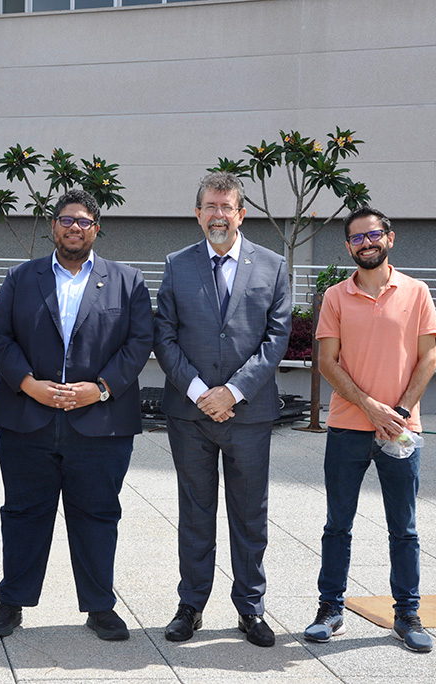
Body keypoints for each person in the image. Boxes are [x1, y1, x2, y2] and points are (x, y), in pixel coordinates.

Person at [0, 188, 154, 641]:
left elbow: (139, 344)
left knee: (97, 515)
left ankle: (100, 607)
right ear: (52, 226)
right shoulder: (22, 277)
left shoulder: (128, 280)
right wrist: (29, 384)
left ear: (96, 228)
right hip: (27, 419)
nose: (74, 227)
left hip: (101, 423)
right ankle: (12, 601)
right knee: (22, 513)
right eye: (65, 220)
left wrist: (98, 390)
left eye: (83, 220)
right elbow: (0, 337)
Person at [154, 171, 291, 647]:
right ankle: (190, 605)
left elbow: (276, 339)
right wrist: (198, 392)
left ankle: (250, 608)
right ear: (197, 214)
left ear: (240, 213)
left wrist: (232, 392)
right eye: (209, 207)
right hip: (190, 415)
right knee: (195, 513)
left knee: (250, 514)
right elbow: (164, 335)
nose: (217, 215)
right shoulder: (177, 264)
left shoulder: (272, 265)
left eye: (225, 207)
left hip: (248, 415)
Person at [303, 207, 436, 652]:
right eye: (358, 238)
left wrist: (398, 412)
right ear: (348, 247)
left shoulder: (416, 292)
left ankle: (407, 615)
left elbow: (428, 359)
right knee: (337, 525)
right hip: (348, 427)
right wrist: (370, 407)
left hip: (402, 429)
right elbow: (327, 362)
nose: (367, 243)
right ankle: (330, 609)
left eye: (374, 234)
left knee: (404, 527)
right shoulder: (335, 297)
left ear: (390, 238)